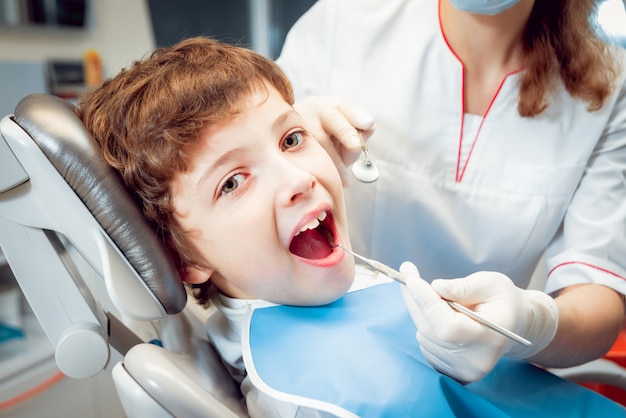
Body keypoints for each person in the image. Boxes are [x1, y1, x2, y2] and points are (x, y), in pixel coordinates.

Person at [277, 0, 626, 383]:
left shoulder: (607, 86)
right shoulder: (344, 21)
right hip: (320, 351)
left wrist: (530, 324)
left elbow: (598, 292)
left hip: (475, 384)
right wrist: (277, 145)